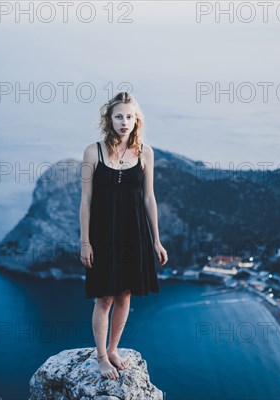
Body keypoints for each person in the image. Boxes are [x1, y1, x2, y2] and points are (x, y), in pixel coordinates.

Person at [79, 92, 169, 380]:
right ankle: (102, 357)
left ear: (136, 120)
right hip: (102, 234)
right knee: (104, 298)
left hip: (134, 232)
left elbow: (149, 198)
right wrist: (85, 241)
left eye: (130, 116)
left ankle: (114, 349)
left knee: (125, 294)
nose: (124, 121)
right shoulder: (93, 152)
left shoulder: (146, 152)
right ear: (109, 119)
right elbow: (85, 201)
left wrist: (156, 240)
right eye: (119, 116)